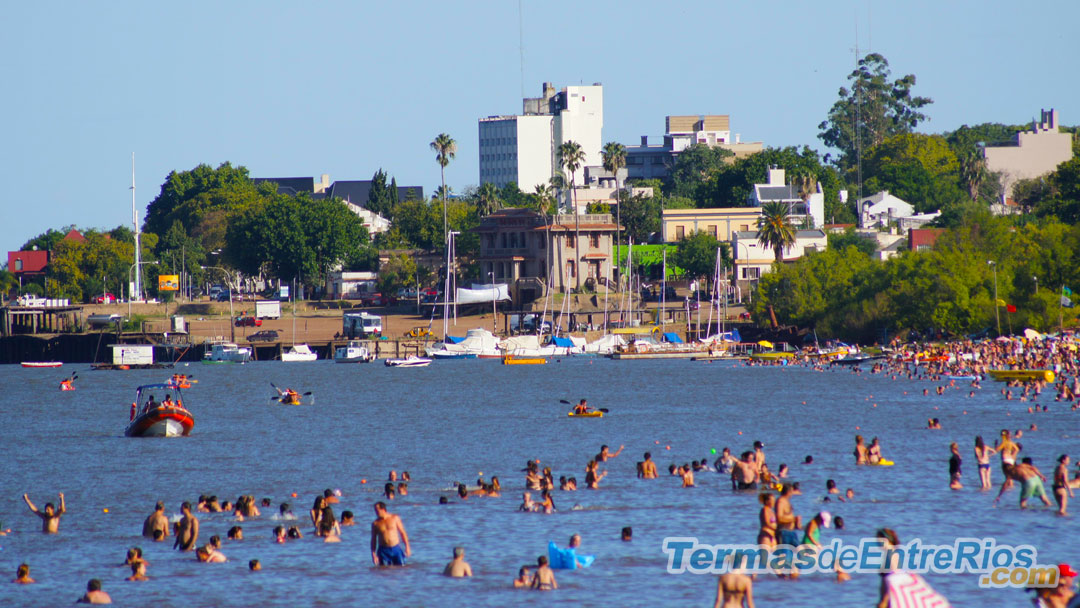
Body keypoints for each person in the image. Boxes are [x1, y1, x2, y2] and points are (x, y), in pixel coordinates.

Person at [371, 502, 410, 566]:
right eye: (375, 510)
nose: (376, 512)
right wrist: (373, 554)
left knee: (402, 569)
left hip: (396, 548)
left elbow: (402, 533)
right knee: (383, 571)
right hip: (383, 550)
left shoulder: (395, 518)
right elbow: (373, 539)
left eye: (377, 510)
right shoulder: (375, 523)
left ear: (383, 509)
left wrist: (407, 547)